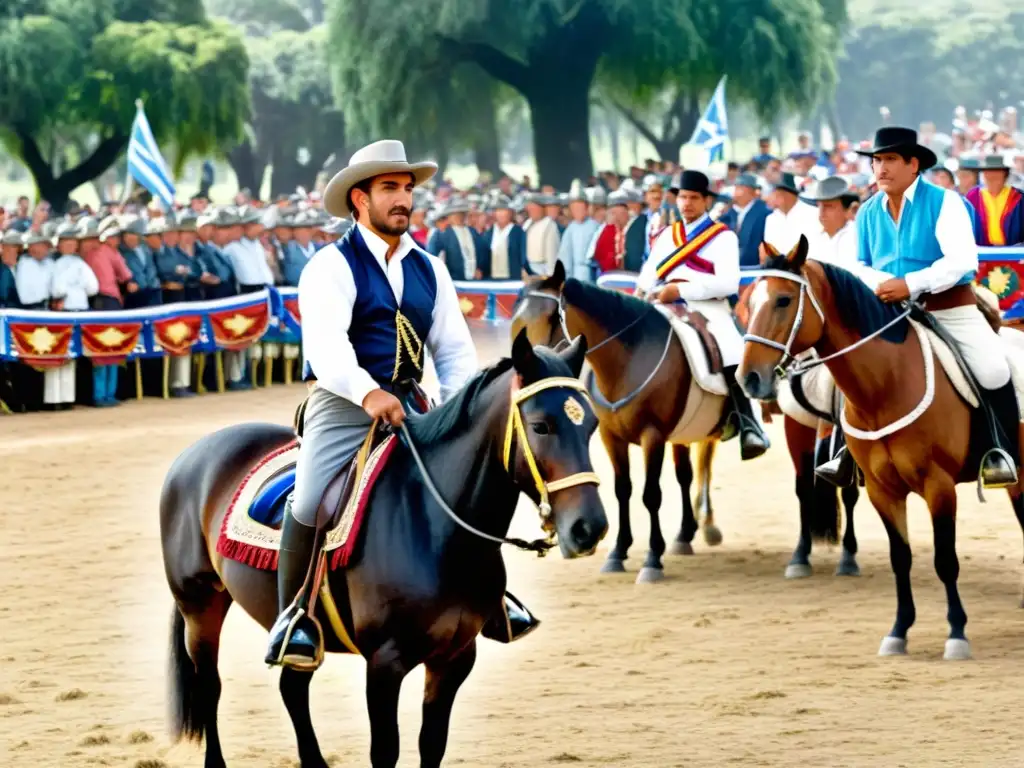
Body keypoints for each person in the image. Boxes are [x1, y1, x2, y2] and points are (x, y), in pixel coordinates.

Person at [265, 140, 540, 670]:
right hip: (342, 405)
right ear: (359, 200)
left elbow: (455, 349)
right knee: (310, 498)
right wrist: (367, 391)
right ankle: (293, 617)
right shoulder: (329, 266)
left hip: (414, 402)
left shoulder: (430, 268)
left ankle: (491, 597)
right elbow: (326, 348)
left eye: (408, 189)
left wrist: (461, 409)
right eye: (389, 188)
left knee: (472, 480)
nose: (403, 199)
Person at [815, 126, 1018, 489]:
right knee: (843, 375)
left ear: (913, 164)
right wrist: (879, 283)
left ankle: (1000, 453)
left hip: (948, 308)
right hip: (886, 314)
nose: (881, 168)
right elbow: (857, 263)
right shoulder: (867, 211)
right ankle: (845, 452)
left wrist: (910, 283)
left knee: (991, 368)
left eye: (890, 159)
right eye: (877, 160)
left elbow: (962, 262)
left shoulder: (946, 201)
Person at [636, 170, 769, 461]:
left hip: (708, 305)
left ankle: (747, 423)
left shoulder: (723, 237)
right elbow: (648, 275)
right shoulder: (667, 235)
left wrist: (681, 291)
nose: (686, 203)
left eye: (694, 198)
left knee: (730, 347)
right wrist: (642, 291)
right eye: (683, 197)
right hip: (663, 302)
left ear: (706, 200)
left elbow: (728, 283)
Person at [48, 220, 99, 410]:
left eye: (72, 241)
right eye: (65, 241)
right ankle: (59, 398)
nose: (69, 245)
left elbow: (93, 287)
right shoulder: (57, 264)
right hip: (64, 312)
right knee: (62, 355)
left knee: (79, 355)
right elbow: (56, 290)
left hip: (79, 311)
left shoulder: (78, 263)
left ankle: (73, 396)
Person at [964, 155, 1024, 246]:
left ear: (1005, 175)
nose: (992, 176)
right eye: (988, 172)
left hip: (1013, 252)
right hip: (981, 253)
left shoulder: (1018, 197)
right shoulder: (973, 197)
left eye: (997, 173)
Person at [802, 177, 860, 269]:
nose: (822, 212)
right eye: (819, 206)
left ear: (847, 211)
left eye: (829, 206)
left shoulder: (857, 236)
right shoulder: (813, 237)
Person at [763, 172, 819, 253]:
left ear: (787, 195)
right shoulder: (771, 219)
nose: (771, 197)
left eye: (776, 194)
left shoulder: (813, 214)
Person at [557, 182, 600, 282]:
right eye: (575, 208)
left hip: (591, 273)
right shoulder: (571, 229)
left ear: (586, 207)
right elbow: (565, 256)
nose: (578, 211)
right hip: (575, 273)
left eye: (580, 207)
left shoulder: (595, 226)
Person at [479, 195, 530, 279]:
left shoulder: (519, 233)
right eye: (498, 211)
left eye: (504, 211)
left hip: (513, 278)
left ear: (511, 213)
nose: (501, 214)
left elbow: (524, 257)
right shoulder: (488, 234)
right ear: (494, 213)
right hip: (491, 278)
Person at [731, 174, 771, 268]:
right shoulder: (731, 212)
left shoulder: (764, 213)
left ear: (751, 191)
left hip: (753, 267)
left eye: (740, 188)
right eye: (736, 188)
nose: (736, 192)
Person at [523, 193, 560, 274]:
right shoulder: (527, 224)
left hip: (541, 269)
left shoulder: (549, 225)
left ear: (541, 208)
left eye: (533, 208)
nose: (530, 210)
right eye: (530, 208)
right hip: (526, 268)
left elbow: (552, 255)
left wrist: (551, 276)